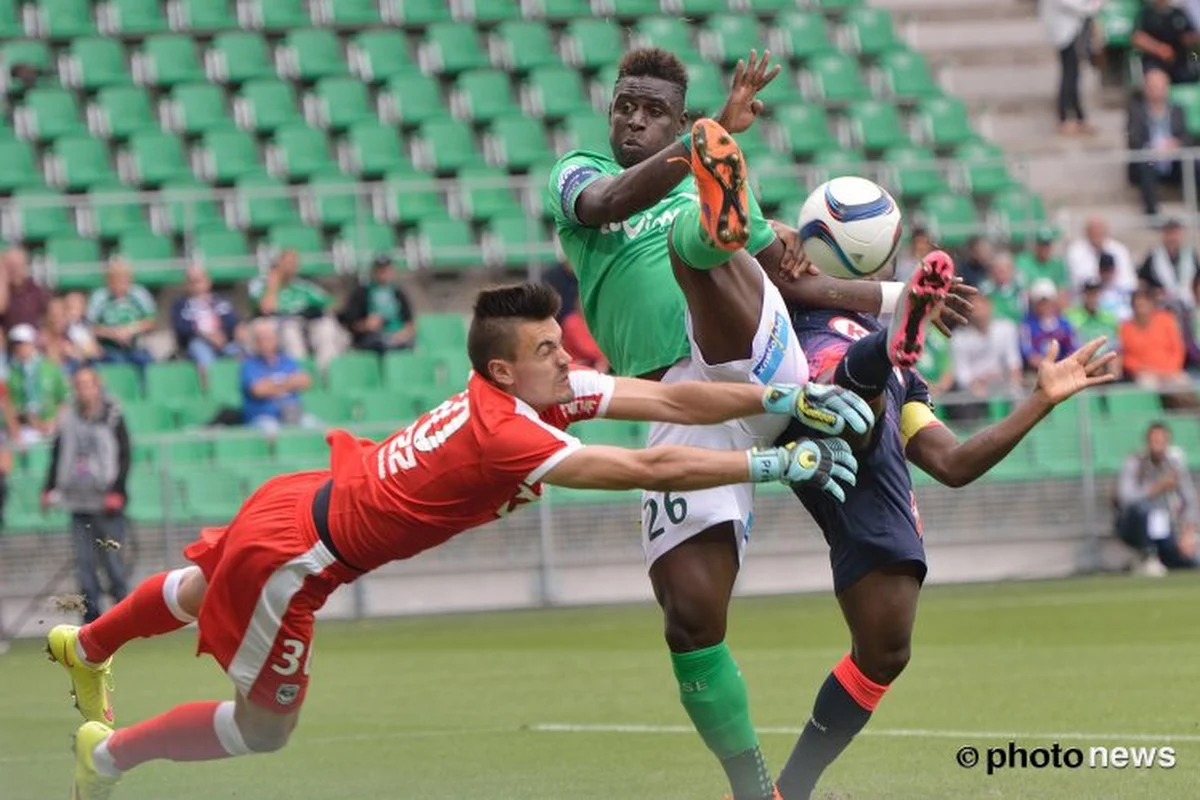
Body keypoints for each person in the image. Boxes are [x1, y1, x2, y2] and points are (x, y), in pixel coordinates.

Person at [46, 283, 869, 799]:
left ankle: (85, 642)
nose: (566, 356)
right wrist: (768, 458)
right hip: (298, 559)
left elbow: (668, 405)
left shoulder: (531, 388)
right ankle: (108, 757)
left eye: (559, 341)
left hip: (300, 499)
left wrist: (780, 396)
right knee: (266, 730)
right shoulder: (508, 432)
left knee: (196, 591)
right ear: (506, 372)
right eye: (548, 349)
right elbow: (641, 464)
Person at [544, 47, 967, 800]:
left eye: (654, 111)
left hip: (752, 355)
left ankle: (840, 334)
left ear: (679, 118)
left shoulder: (696, 172)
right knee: (690, 619)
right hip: (677, 401)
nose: (634, 118)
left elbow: (805, 279)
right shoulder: (576, 173)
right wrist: (699, 146)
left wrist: (901, 296)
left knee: (700, 252)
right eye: (624, 105)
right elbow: (606, 205)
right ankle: (758, 790)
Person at [773, 283, 1117, 800]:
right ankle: (781, 793)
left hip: (868, 421)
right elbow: (768, 254)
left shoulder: (906, 377)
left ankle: (784, 793)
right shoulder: (800, 317)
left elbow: (951, 462)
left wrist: (1039, 401)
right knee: (850, 415)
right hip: (821, 409)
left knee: (886, 652)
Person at [41, 367, 131, 623]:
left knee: (113, 563)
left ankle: (125, 616)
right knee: (85, 566)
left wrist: (118, 491)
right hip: (78, 501)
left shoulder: (112, 414)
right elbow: (57, 453)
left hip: (107, 502)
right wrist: (48, 488)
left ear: (97, 386)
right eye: (78, 384)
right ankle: (92, 621)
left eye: (88, 384)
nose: (83, 390)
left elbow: (124, 454)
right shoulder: (68, 418)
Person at [1115, 421, 1199, 574]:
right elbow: (1126, 498)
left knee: (1190, 563)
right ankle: (1147, 555)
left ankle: (1166, 557)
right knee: (1145, 509)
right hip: (1134, 524)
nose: (1158, 445)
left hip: (1168, 526)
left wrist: (1188, 533)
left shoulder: (1174, 466)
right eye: (1154, 441)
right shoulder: (1135, 463)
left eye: (1162, 441)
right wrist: (1157, 487)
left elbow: (1190, 500)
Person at [248, 248, 341, 369]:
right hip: (277, 323)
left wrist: (314, 310)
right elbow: (266, 308)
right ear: (278, 264)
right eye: (287, 263)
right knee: (290, 330)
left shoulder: (302, 286)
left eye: (293, 264)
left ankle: (327, 372)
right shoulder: (260, 283)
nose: (290, 267)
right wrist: (273, 285)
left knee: (327, 327)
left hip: (303, 322)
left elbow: (331, 303)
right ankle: (300, 371)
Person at [1127, 69, 1199, 217]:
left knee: (1194, 162)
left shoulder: (1177, 109)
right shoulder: (1136, 111)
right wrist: (1153, 148)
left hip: (1174, 159)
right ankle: (1152, 214)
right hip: (1150, 158)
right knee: (1147, 163)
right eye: (1153, 86)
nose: (1157, 91)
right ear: (1145, 89)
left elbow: (1187, 136)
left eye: (1160, 86)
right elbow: (1134, 140)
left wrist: (1176, 143)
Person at [240, 318, 317, 437]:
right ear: (256, 342)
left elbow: (306, 381)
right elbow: (258, 390)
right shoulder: (250, 365)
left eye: (269, 338)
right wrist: (289, 383)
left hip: (293, 415)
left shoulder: (287, 361)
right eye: (261, 339)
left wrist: (273, 385)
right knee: (271, 430)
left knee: (314, 426)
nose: (266, 343)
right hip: (263, 417)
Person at [1040, 0, 1103, 135]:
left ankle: (1080, 117)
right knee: (1070, 73)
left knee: (1074, 73)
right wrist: (1090, 7)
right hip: (1063, 31)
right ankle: (1064, 117)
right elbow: (1068, 3)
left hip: (1071, 29)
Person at [171, 265, 241, 381]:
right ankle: (212, 391)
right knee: (203, 355)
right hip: (197, 341)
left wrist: (225, 333)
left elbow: (232, 320)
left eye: (199, 281)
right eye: (192, 282)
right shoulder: (181, 305)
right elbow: (181, 327)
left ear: (208, 281)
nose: (196, 285)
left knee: (241, 356)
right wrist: (206, 335)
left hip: (224, 340)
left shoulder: (220, 300)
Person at [338, 254, 416, 354]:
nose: (384, 273)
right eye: (381, 270)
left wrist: (402, 334)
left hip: (396, 336)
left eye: (387, 270)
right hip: (372, 338)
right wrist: (366, 325)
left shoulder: (398, 293)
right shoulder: (362, 293)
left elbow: (410, 322)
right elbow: (349, 322)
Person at [86, 259, 156, 371]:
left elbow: (151, 322)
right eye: (116, 279)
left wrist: (131, 330)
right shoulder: (99, 296)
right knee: (119, 363)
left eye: (124, 278)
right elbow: (91, 327)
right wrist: (113, 333)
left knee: (148, 363)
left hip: (136, 346)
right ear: (109, 280)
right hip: (108, 347)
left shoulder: (139, 293)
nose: (120, 283)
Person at [7, 323, 69, 445]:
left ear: (32, 343)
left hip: (53, 425)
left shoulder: (49, 367)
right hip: (26, 429)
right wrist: (31, 422)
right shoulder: (11, 374)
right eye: (16, 344)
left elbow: (64, 398)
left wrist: (55, 421)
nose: (20, 347)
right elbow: (11, 406)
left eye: (23, 343)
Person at [1138, 218, 1199, 310]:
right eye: (1169, 233)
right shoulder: (1154, 255)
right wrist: (1155, 292)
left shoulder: (1190, 254)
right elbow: (1143, 280)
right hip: (1163, 303)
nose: (1173, 237)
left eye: (1176, 233)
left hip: (1188, 302)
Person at [1133, 0, 1200, 84]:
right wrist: (1159, 49)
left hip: (1180, 63)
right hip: (1155, 62)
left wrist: (1191, 39)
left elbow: (1190, 36)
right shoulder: (1146, 13)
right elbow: (1138, 38)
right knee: (1156, 82)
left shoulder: (1180, 13)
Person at [1065, 217, 1137, 295]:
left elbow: (1129, 281)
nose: (1097, 235)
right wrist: (1100, 280)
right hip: (1086, 298)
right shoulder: (1075, 251)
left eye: (1100, 232)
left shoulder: (1119, 250)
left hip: (1117, 296)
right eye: (1093, 232)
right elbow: (1077, 281)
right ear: (1087, 233)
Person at [1066, 279, 1122, 375]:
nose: (1092, 297)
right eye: (1089, 294)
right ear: (1084, 295)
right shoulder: (1071, 317)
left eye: (1095, 294)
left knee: (1115, 363)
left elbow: (1115, 345)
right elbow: (1072, 345)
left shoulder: (1110, 318)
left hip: (1105, 359)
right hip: (1083, 359)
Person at [1020, 278, 1075, 372]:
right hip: (1037, 372)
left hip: (1062, 371)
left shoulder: (1065, 324)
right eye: (1041, 302)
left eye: (1047, 301)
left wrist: (1059, 367)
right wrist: (1048, 368)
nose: (1045, 305)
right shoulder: (1027, 325)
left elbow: (1072, 349)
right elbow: (1029, 355)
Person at [42, 296, 103, 372]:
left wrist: (75, 352)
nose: (57, 320)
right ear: (47, 316)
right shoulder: (40, 337)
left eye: (61, 316)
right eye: (53, 316)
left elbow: (96, 353)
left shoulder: (76, 332)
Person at [0, 246, 50, 331]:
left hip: (32, 336)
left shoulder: (35, 290)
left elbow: (48, 314)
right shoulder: (4, 289)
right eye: (10, 266)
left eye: (17, 265)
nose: (14, 270)